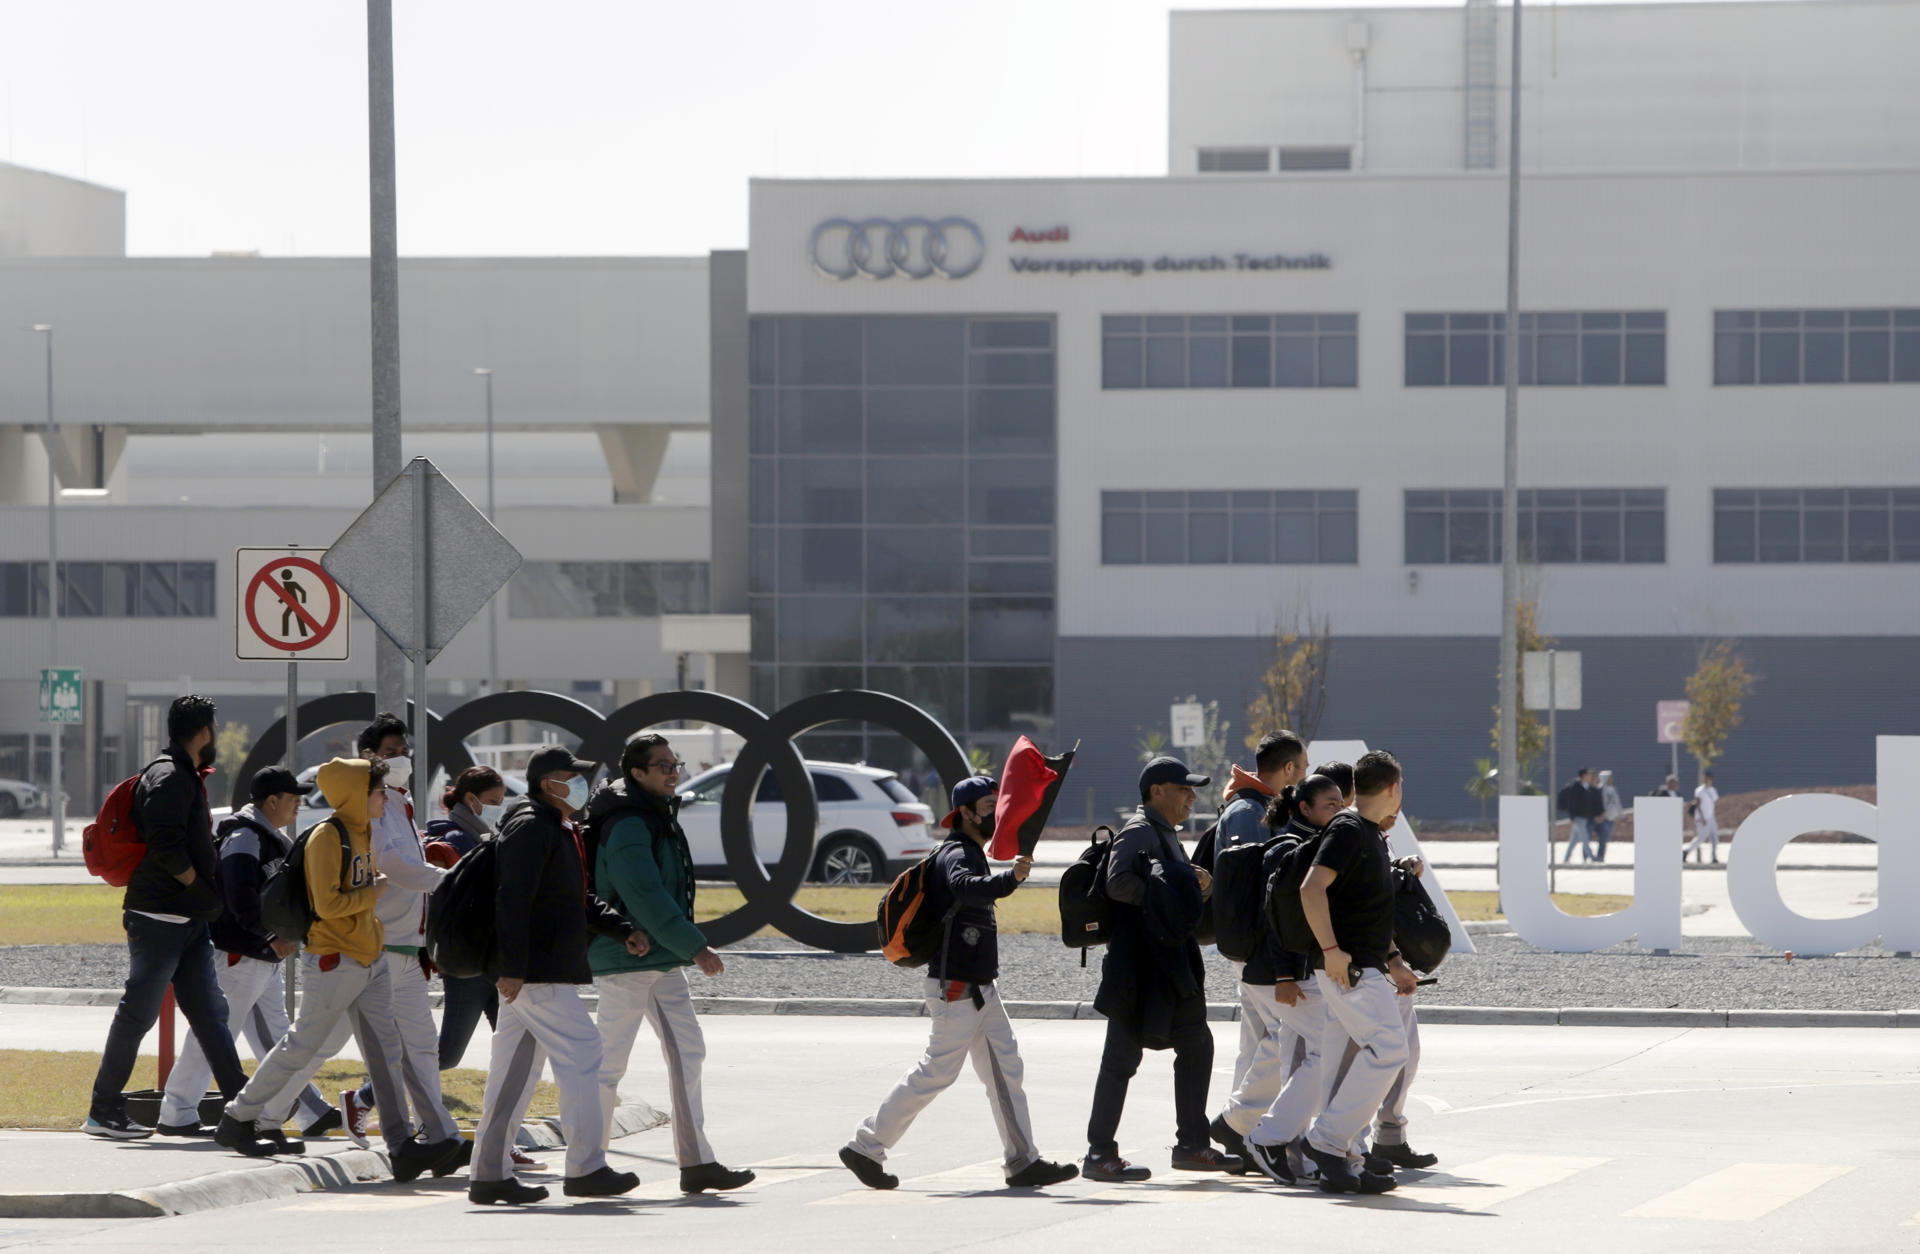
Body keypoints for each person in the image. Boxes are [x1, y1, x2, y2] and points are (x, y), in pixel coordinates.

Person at [214, 758, 465, 1182]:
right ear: (354, 793)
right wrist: (375, 892)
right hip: (334, 961)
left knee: (389, 1055)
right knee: (301, 1046)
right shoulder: (327, 838)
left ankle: (404, 1146)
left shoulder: (362, 831)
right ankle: (237, 1118)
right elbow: (328, 906)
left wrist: (372, 904)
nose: (383, 798)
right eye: (377, 791)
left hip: (368, 957)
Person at [840, 775, 1079, 1192]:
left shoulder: (969, 851)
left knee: (1005, 1069)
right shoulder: (957, 852)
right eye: (988, 807)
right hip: (956, 987)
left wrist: (1003, 878)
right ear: (965, 813)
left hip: (977, 986)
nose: (995, 813)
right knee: (937, 1071)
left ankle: (1023, 1161)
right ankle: (865, 1146)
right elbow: (964, 888)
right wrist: (1010, 880)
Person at [468, 746, 650, 1206]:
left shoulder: (555, 826)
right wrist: (512, 968)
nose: (583, 785)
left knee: (514, 1071)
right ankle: (586, 1167)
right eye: (574, 776)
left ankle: (489, 1174)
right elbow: (512, 899)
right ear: (550, 784)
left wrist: (620, 927)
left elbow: (573, 898)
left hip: (536, 969)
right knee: (584, 1051)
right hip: (534, 970)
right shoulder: (532, 826)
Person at [589, 733, 755, 1194]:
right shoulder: (630, 823)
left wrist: (683, 946)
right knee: (607, 1065)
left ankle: (697, 1162)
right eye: (661, 764)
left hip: (659, 957)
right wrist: (695, 946)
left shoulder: (654, 813)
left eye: (674, 762)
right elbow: (644, 894)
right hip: (630, 956)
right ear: (636, 773)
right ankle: (586, 1163)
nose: (672, 770)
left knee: (687, 1051)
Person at [85, 695, 251, 1140]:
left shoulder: (182, 773)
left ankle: (243, 1110)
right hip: (157, 917)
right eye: (214, 728)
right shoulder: (170, 777)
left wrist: (200, 900)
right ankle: (103, 1110)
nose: (215, 735)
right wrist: (199, 889)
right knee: (138, 1014)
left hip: (186, 919)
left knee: (210, 1014)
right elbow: (165, 846)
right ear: (203, 733)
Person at [153, 765, 341, 1144]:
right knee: (215, 1036)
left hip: (259, 956)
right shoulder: (245, 837)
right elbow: (237, 897)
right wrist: (271, 935)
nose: (298, 805)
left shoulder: (267, 836)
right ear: (272, 801)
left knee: (278, 1037)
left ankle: (310, 1110)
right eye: (292, 799)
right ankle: (176, 1113)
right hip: (241, 955)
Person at [1083, 757, 1241, 1183]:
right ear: (1157, 792)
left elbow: (1165, 885)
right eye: (1183, 789)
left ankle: (1192, 1145)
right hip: (1138, 970)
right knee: (1121, 1060)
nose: (1192, 796)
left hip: (1169, 966)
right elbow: (1117, 884)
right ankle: (1099, 1154)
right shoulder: (1138, 831)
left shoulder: (1163, 832)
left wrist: (1191, 882)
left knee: (1196, 1046)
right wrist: (1170, 884)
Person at [1289, 750, 1418, 1195]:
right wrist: (1331, 950)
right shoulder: (1348, 828)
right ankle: (1327, 1142)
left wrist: (1397, 962)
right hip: (1351, 970)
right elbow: (1311, 888)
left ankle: (1346, 1159)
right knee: (1388, 1050)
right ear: (1393, 788)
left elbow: (1369, 912)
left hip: (1366, 965)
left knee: (1340, 1067)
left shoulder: (1369, 834)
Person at [334, 714, 461, 1159]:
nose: (400, 760)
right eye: (389, 754)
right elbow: (391, 865)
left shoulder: (400, 802)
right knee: (317, 1044)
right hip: (380, 946)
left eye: (403, 752)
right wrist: (446, 879)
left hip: (410, 948)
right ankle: (255, 1115)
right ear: (367, 757)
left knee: (421, 1047)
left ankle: (440, 1134)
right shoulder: (375, 804)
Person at [1217, 773, 1345, 1176]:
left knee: (1294, 1054)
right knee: (1332, 1047)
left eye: (1343, 804)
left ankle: (1269, 1139)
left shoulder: (1314, 844)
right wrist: (1286, 978)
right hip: (1274, 976)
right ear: (1304, 809)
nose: (1339, 811)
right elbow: (1275, 922)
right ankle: (1264, 1136)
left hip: (1285, 974)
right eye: (1331, 804)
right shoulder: (1289, 849)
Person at [1206, 730, 1308, 1167]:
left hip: (1252, 948)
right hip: (1258, 948)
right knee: (1289, 1036)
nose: (1304, 776)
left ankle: (1242, 1132)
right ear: (1287, 769)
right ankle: (1239, 1124)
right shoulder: (1251, 812)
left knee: (1257, 1042)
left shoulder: (1249, 805)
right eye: (1302, 769)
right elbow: (1259, 888)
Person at [425, 765, 507, 1068]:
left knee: (518, 1045)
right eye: (493, 801)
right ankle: (366, 1095)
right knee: (446, 1055)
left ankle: (503, 1115)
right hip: (468, 964)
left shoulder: (483, 836)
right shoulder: (460, 840)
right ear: (471, 799)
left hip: (489, 960)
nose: (499, 808)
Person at [1557, 768, 1599, 863]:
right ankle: (1592, 857)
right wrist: (1572, 817)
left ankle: (1566, 858)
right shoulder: (1575, 788)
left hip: (1583, 817)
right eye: (1588, 775)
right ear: (1584, 776)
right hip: (1578, 818)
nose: (1590, 777)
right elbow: (1572, 804)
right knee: (1585, 839)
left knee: (1573, 840)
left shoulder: (1586, 787)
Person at [1686, 770, 1722, 864]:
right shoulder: (1700, 790)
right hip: (1702, 818)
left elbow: (1714, 803)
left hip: (1711, 817)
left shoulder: (1713, 790)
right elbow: (1698, 805)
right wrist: (1702, 818)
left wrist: (1713, 817)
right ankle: (1686, 851)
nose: (1706, 780)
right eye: (1705, 778)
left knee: (1714, 838)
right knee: (1701, 838)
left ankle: (1714, 857)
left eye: (1708, 778)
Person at [1593, 770, 1623, 863]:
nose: (1611, 779)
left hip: (1611, 818)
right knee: (1602, 838)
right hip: (1603, 818)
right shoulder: (1600, 789)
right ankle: (1599, 856)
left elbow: (1617, 803)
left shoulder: (1613, 789)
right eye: (1609, 778)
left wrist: (1621, 816)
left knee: (1605, 838)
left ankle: (1601, 856)